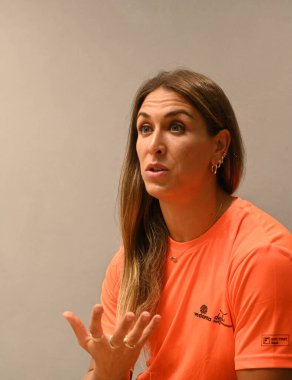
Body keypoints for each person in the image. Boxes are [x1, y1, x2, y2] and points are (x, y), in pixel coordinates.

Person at [63, 69, 292, 380]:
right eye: (144, 129)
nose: (154, 144)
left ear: (219, 146)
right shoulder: (130, 262)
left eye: (175, 127)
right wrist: (108, 373)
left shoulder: (262, 256)